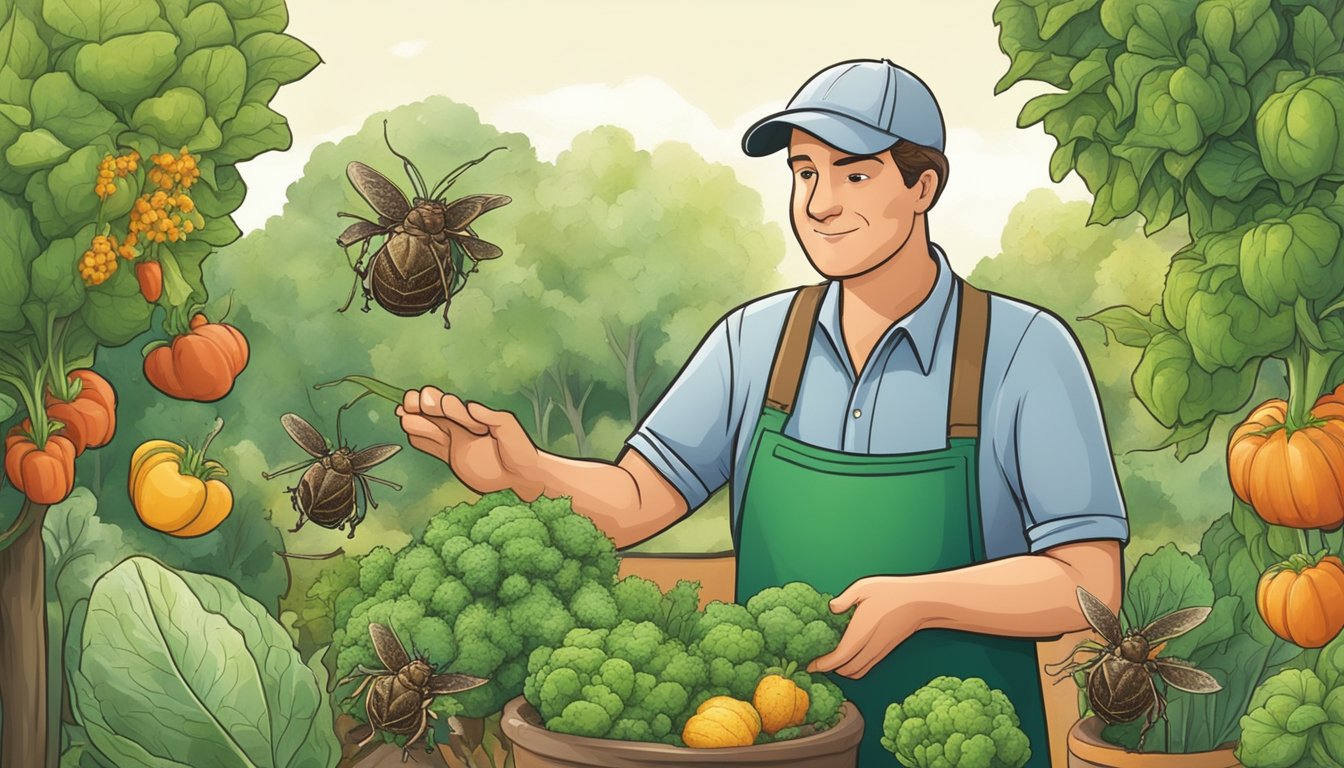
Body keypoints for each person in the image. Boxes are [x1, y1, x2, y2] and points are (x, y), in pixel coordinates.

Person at [398, 58, 1128, 766]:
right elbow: (635, 502)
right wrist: (522, 470)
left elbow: (1089, 581)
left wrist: (920, 601)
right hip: (774, 749)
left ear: (923, 186)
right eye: (805, 173)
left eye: (855, 173)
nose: (819, 203)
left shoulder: (1026, 351)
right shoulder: (755, 342)